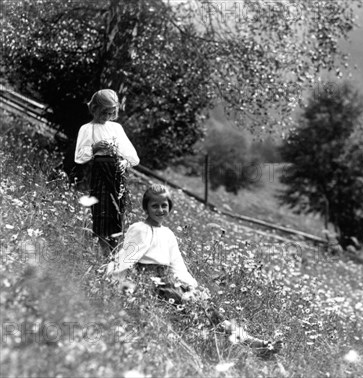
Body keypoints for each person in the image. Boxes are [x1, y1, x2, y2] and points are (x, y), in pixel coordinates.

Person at [105, 184, 282, 357]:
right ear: (146, 207)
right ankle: (252, 345)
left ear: (170, 207)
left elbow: (177, 264)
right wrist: (115, 280)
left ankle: (253, 343)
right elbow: (126, 258)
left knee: (209, 311)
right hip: (150, 283)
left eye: (164, 205)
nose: (160, 210)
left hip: (168, 282)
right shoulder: (140, 229)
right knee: (202, 314)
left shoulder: (167, 233)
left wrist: (193, 287)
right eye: (155, 206)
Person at [74, 89, 139, 253]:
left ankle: (115, 251)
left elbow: (133, 157)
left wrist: (124, 162)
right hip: (100, 174)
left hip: (117, 174)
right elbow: (79, 157)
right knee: (102, 213)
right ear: (94, 108)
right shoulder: (87, 129)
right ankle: (104, 252)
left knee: (117, 212)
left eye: (111, 113)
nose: (107, 117)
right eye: (104, 113)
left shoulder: (116, 128)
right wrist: (95, 147)